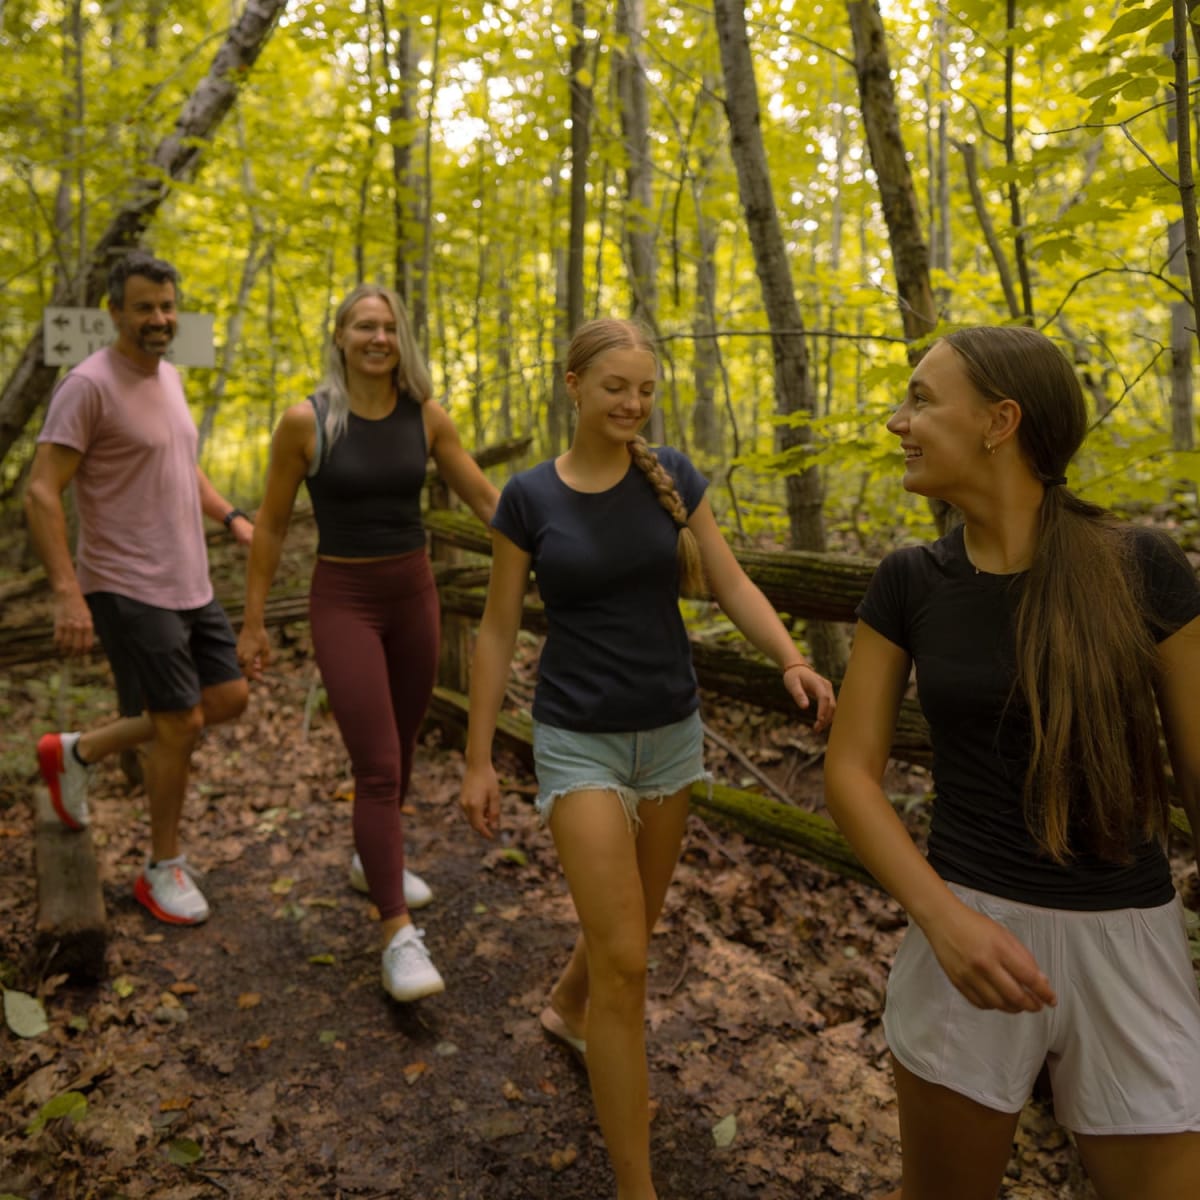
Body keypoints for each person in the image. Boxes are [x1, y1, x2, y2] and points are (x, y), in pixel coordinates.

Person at [459, 318, 836, 1200]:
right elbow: (499, 628)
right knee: (626, 962)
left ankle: (566, 1006)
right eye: (614, 387)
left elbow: (731, 579)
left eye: (645, 390)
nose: (632, 404)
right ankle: (637, 1186)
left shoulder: (673, 479)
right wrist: (478, 757)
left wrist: (790, 657)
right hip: (577, 740)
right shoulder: (527, 499)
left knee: (627, 937)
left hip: (670, 737)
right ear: (573, 386)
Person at [822, 325, 1200, 1200]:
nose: (897, 422)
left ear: (1001, 421)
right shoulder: (909, 582)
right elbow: (849, 774)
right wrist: (944, 922)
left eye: (921, 400)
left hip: (1132, 944)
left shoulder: (1140, 566)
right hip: (965, 933)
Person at [237, 283, 498, 1004]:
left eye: (388, 327)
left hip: (414, 598)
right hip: (344, 602)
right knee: (377, 765)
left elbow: (486, 500)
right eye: (363, 326)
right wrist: (254, 621)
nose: (378, 338)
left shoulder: (427, 418)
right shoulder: (307, 422)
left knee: (403, 746)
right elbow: (272, 526)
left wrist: (561, 538)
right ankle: (395, 932)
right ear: (341, 337)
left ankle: (371, 860)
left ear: (400, 338)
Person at [25, 249, 252, 926]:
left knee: (229, 697)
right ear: (115, 311)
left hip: (189, 579)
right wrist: (68, 593)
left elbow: (182, 463)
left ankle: (78, 751)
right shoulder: (89, 386)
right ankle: (162, 867)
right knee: (179, 722)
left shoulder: (169, 376)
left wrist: (231, 516)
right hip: (126, 583)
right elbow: (41, 491)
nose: (159, 318)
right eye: (144, 307)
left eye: (167, 306)